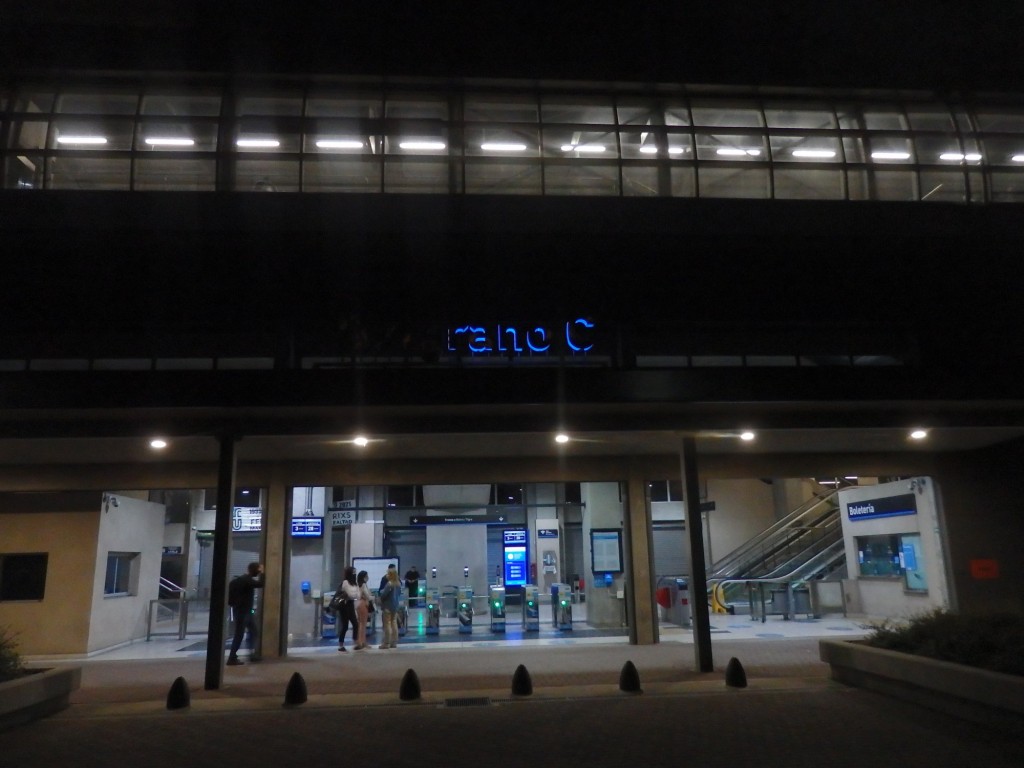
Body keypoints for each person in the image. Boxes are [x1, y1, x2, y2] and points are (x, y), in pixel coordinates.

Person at [227, 561, 264, 666]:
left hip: (242, 611)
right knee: (240, 634)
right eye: (258, 570)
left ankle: (251, 655)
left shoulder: (240, 580)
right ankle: (232, 657)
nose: (258, 572)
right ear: (254, 570)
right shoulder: (247, 580)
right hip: (244, 612)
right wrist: (263, 572)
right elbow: (261, 584)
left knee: (252, 631)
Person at [335, 566, 360, 652]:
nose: (355, 574)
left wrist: (355, 595)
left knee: (355, 624)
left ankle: (356, 642)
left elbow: (357, 595)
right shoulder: (345, 582)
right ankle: (341, 645)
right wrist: (355, 594)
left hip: (351, 604)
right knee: (345, 625)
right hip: (344, 605)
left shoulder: (354, 583)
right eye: (353, 572)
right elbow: (351, 594)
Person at [378, 564, 402, 649]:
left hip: (387, 606)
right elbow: (399, 594)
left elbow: (383, 594)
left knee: (387, 624)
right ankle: (394, 642)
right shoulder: (398, 583)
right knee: (394, 623)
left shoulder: (389, 584)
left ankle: (386, 643)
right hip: (395, 606)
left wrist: (381, 594)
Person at [354, 570, 372, 651]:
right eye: (367, 576)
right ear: (364, 577)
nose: (368, 578)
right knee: (363, 624)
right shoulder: (364, 585)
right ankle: (362, 642)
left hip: (358, 604)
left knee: (360, 623)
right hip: (363, 604)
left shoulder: (358, 585)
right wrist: (373, 598)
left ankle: (361, 642)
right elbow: (368, 596)